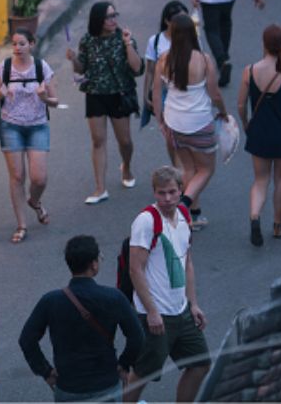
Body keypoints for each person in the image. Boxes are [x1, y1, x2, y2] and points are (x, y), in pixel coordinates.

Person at [19, 235, 144, 402]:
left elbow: (27, 340)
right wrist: (123, 364)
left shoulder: (51, 301)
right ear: (93, 264)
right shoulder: (114, 297)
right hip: (106, 383)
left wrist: (46, 371)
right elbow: (137, 337)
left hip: (69, 386)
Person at [123, 167, 209, 403]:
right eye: (161, 193)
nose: (167, 199)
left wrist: (193, 304)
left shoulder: (183, 214)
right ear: (154, 192)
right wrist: (151, 311)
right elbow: (135, 269)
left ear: (181, 190)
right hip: (156, 314)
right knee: (142, 374)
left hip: (181, 311)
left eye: (172, 192)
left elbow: (187, 262)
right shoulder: (146, 221)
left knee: (200, 364)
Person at [154, 15, 227, 231]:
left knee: (187, 168)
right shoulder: (203, 59)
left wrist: (160, 121)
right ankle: (184, 206)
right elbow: (214, 93)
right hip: (199, 123)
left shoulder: (164, 60)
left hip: (174, 122)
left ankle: (193, 216)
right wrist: (223, 112)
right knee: (205, 170)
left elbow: (157, 95)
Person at [66, 1, 143, 204]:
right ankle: (100, 188)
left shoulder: (123, 37)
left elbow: (137, 68)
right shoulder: (88, 40)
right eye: (109, 16)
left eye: (114, 15)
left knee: (124, 141)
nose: (113, 19)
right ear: (98, 19)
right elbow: (81, 69)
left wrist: (128, 44)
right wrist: (73, 59)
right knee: (98, 140)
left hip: (119, 93)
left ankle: (126, 166)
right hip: (95, 93)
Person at [237, 25, 281, 246]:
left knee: (260, 181)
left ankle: (255, 216)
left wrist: (247, 124)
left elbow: (240, 104)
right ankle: (277, 226)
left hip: (259, 133)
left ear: (263, 44)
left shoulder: (249, 70)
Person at [0, 28, 58, 244]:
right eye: (14, 44)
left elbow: (56, 101)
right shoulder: (4, 68)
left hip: (38, 126)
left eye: (22, 43)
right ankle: (21, 225)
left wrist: (45, 97)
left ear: (32, 44)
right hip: (11, 126)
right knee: (17, 176)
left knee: (39, 178)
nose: (17, 48)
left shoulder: (41, 67)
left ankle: (35, 201)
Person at [142, 0, 191, 168]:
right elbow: (149, 70)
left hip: (186, 94)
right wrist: (145, 96)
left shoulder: (191, 38)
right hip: (164, 94)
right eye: (179, 19)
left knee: (184, 136)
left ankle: (184, 171)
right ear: (167, 21)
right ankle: (179, 172)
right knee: (171, 137)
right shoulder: (155, 41)